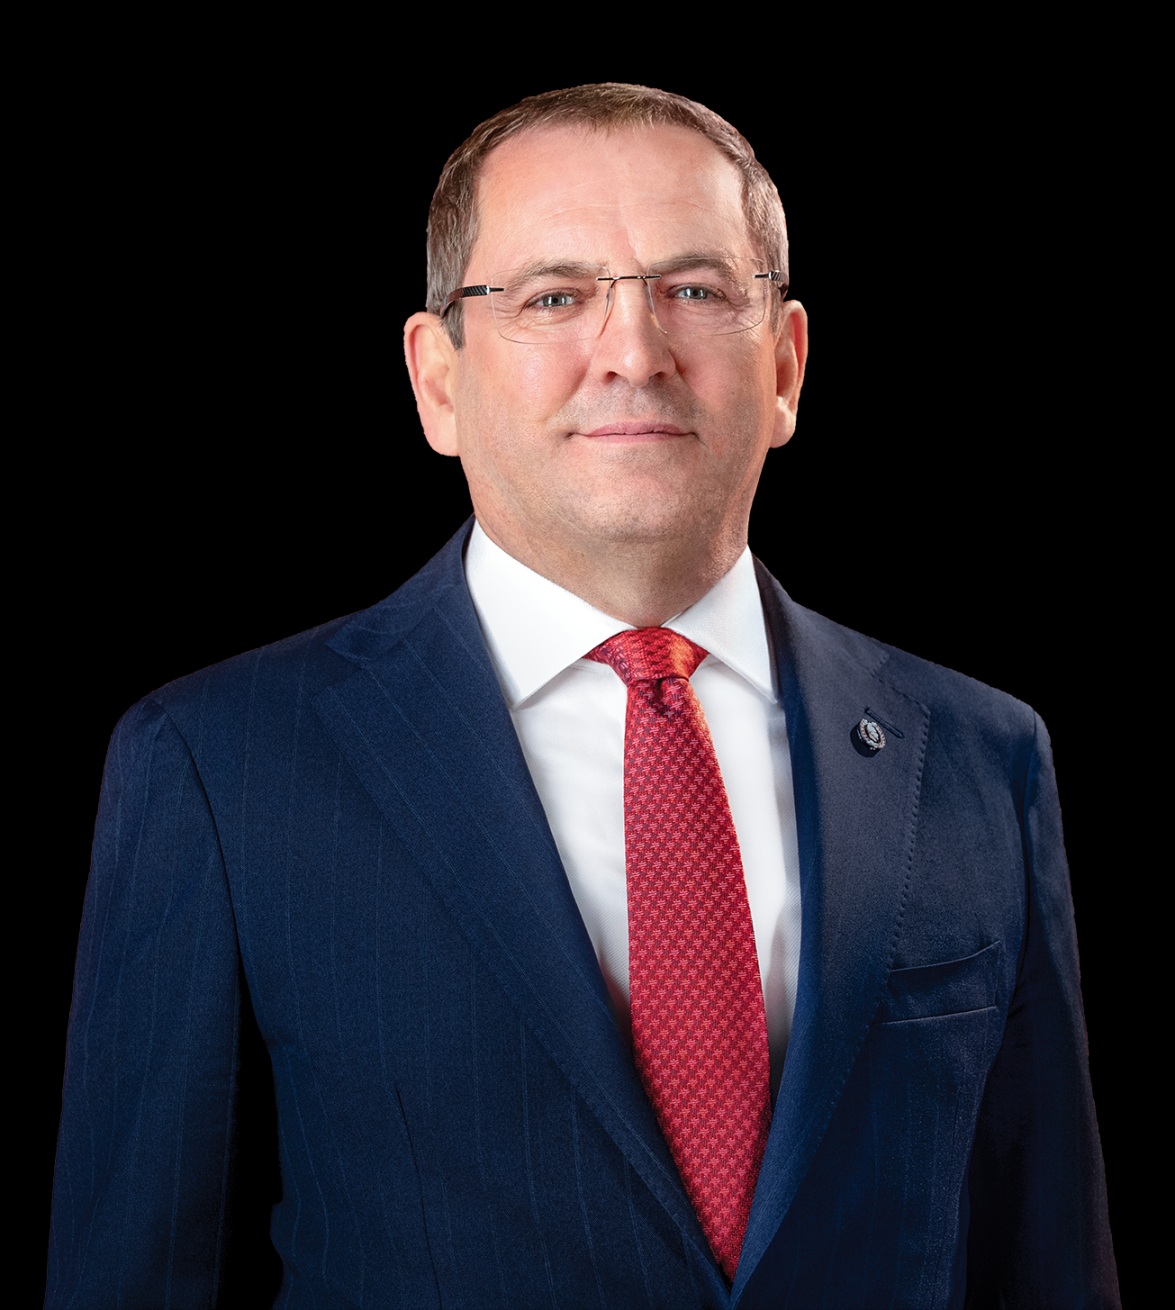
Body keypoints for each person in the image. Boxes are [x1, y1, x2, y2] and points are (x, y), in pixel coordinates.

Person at [48, 84, 1119, 1308]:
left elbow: (1048, 1269)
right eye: (553, 296)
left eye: (694, 291)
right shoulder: (220, 767)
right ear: (436, 381)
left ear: (783, 365)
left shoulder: (981, 756)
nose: (633, 351)